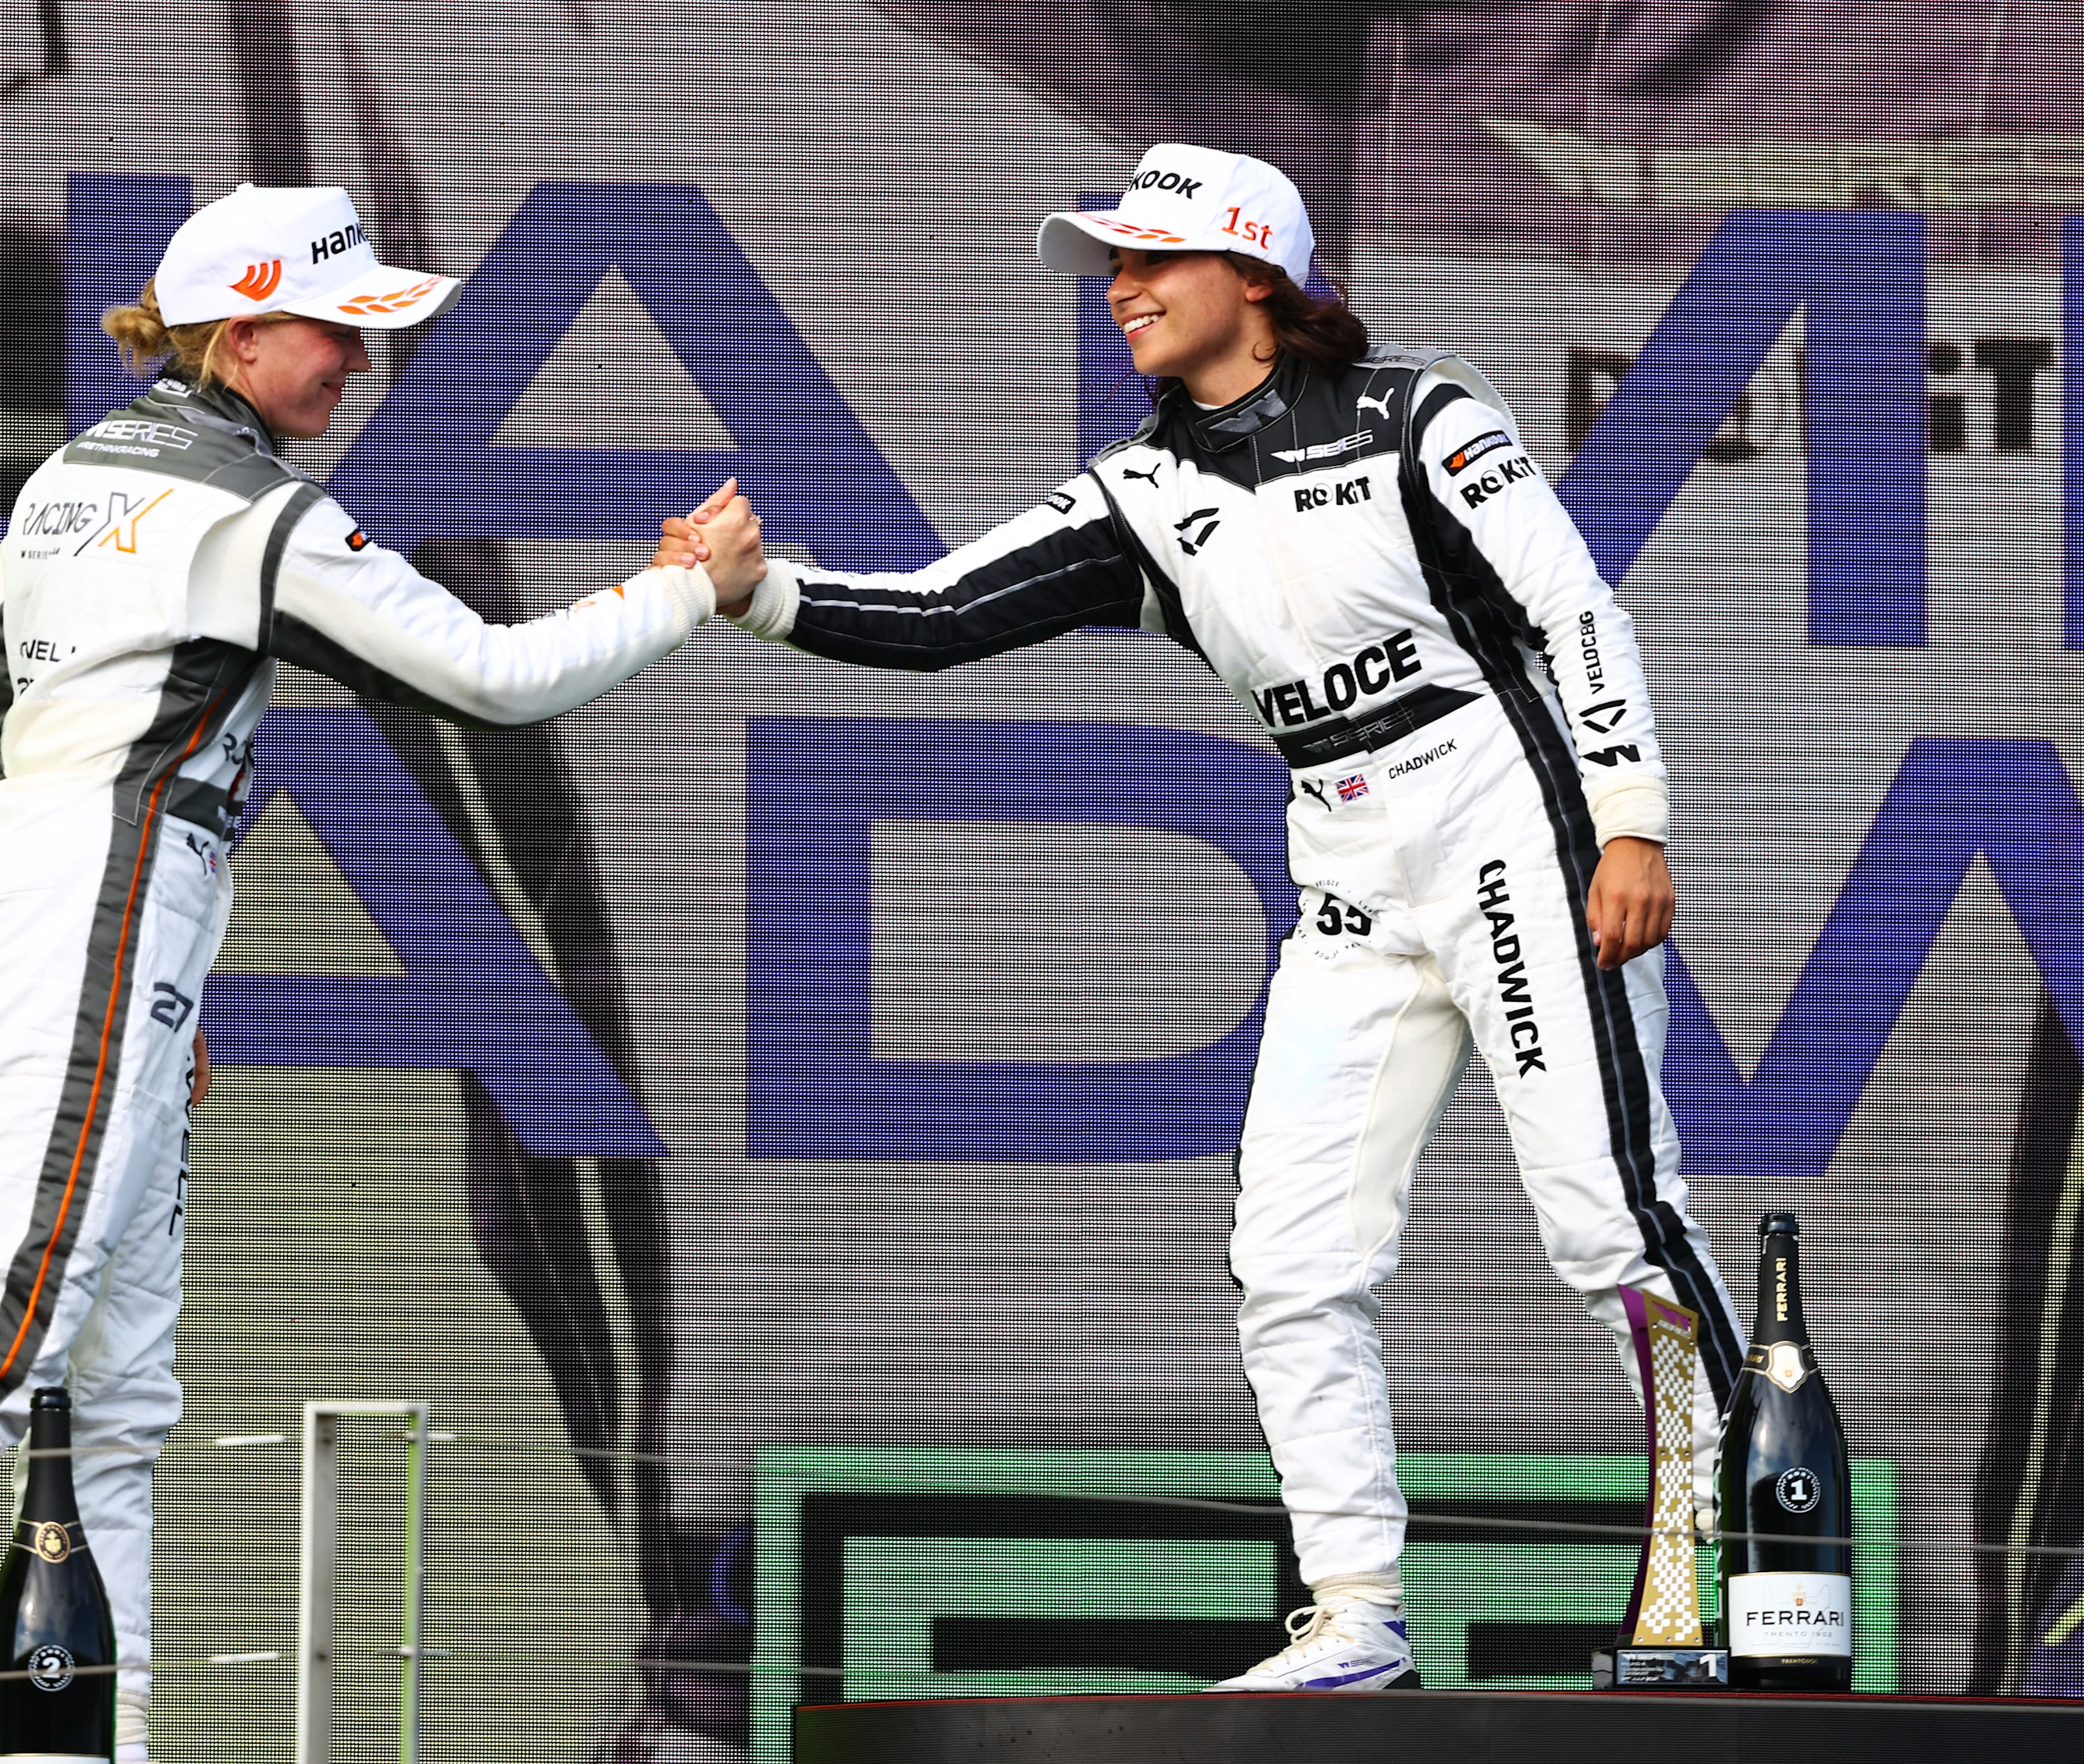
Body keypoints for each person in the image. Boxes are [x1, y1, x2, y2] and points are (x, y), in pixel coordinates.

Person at [0, 180, 762, 1764]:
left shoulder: (77, 473)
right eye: (337, 331)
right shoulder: (244, 511)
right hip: (95, 897)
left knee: (115, 1383)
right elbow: (492, 677)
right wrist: (683, 586)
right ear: (243, 327)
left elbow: (15, 731)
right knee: (3, 1338)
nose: (356, 366)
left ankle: (94, 1740)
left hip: (51, 895)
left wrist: (157, 980)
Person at [682, 141, 1741, 1693]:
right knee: (1290, 1258)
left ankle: (1715, 1580)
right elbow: (940, 612)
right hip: (1347, 869)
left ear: (1251, 270)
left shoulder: (1418, 414)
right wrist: (759, 590)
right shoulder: (1142, 486)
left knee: (1608, 1216)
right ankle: (1356, 1614)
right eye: (1108, 263)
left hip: (1512, 827)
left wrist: (1629, 815)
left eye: (1145, 259)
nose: (1116, 287)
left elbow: (1574, 606)